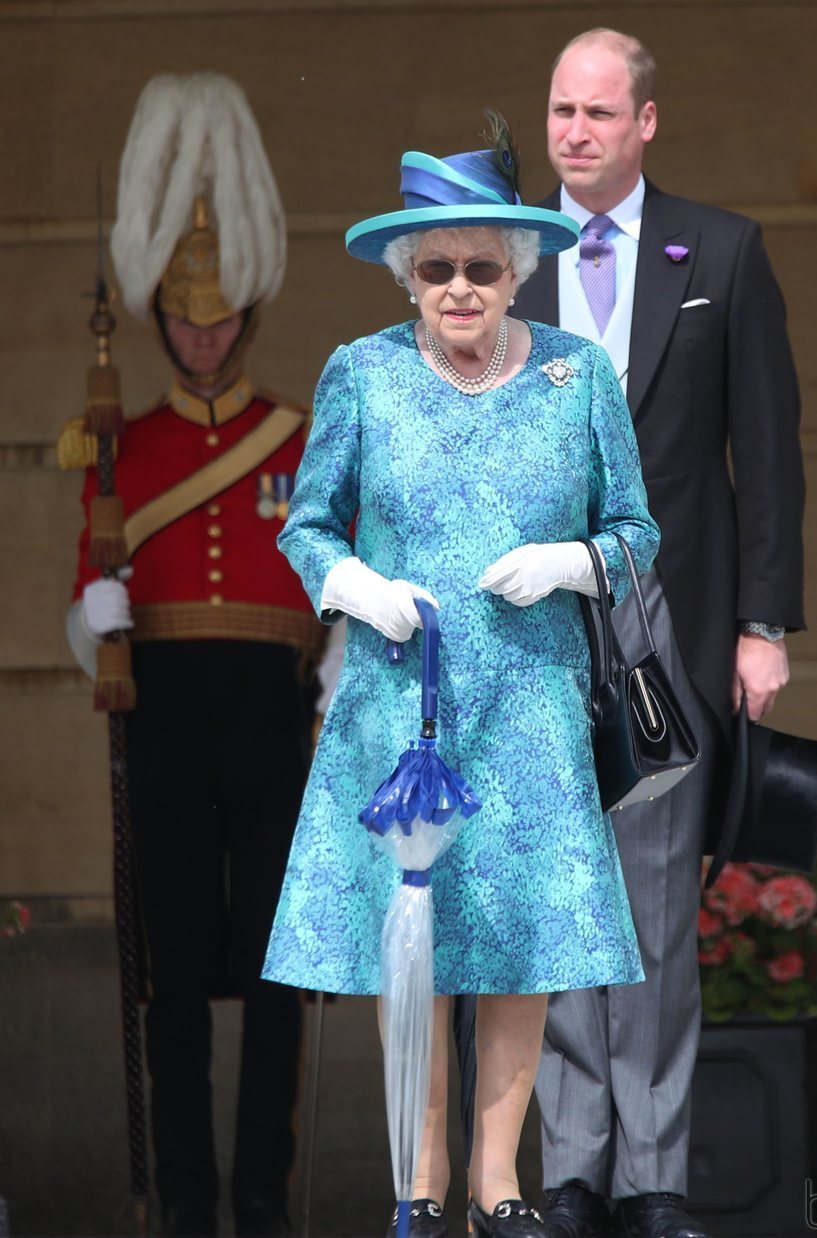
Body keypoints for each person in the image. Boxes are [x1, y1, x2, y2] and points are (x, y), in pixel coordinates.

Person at [260, 118, 661, 1238]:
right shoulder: (361, 373)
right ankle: (422, 1180)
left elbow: (636, 529)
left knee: (519, 947)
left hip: (530, 702)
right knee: (419, 946)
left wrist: (574, 560)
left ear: (518, 270)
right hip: (403, 704)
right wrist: (350, 583)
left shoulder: (578, 376)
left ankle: (499, 1178)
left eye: (481, 266)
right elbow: (305, 526)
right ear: (406, 275)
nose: (458, 287)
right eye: (434, 268)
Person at [512, 29, 807, 1238]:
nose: (572, 132)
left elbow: (767, 454)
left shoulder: (721, 251)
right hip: (535, 631)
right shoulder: (506, 255)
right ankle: (572, 1165)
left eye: (595, 112)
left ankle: (652, 1179)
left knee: (646, 914)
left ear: (644, 122)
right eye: (558, 111)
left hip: (667, 633)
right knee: (555, 904)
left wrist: (761, 623)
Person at [63, 73, 324, 1238]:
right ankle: (185, 1199)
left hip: (272, 710)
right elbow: (91, 579)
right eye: (185, 318)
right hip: (162, 706)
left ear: (246, 319)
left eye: (219, 320)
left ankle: (261, 1196)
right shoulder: (121, 441)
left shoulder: (299, 434)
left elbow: (333, 573)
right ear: (161, 318)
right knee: (169, 978)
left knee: (277, 972)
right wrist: (99, 611)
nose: (203, 335)